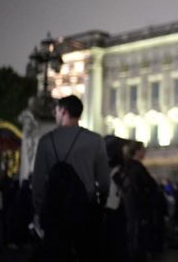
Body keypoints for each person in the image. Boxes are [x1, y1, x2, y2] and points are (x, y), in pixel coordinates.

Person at [32, 95, 110, 261]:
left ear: (63, 111)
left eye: (57, 111)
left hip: (55, 211)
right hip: (85, 209)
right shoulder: (95, 140)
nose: (55, 115)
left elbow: (37, 182)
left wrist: (40, 211)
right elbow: (104, 180)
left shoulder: (46, 141)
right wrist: (100, 205)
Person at [122, 141, 159, 262]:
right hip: (138, 208)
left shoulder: (126, 166)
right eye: (143, 150)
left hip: (130, 207)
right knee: (137, 238)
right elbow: (150, 187)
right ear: (137, 151)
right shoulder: (137, 167)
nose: (145, 152)